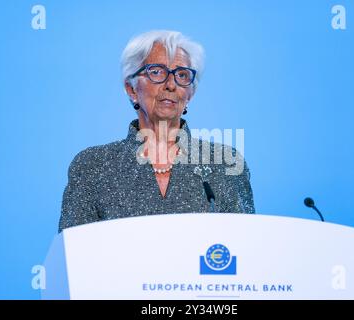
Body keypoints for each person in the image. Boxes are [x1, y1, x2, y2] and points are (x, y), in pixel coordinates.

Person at [58, 30, 255, 232]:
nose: (170, 84)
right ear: (131, 89)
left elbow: (246, 247)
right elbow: (73, 253)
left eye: (182, 75)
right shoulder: (93, 166)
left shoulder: (225, 163)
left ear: (190, 95)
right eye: (157, 72)